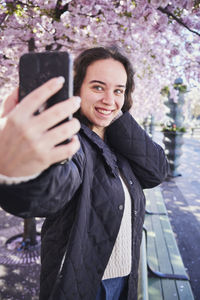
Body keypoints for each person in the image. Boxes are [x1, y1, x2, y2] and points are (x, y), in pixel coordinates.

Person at [0, 46, 169, 300]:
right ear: (77, 88)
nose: (109, 99)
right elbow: (49, 191)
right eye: (98, 87)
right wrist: (15, 173)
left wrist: (117, 119)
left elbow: (156, 172)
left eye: (118, 90)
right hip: (85, 287)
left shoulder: (120, 140)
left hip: (125, 279)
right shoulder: (72, 142)